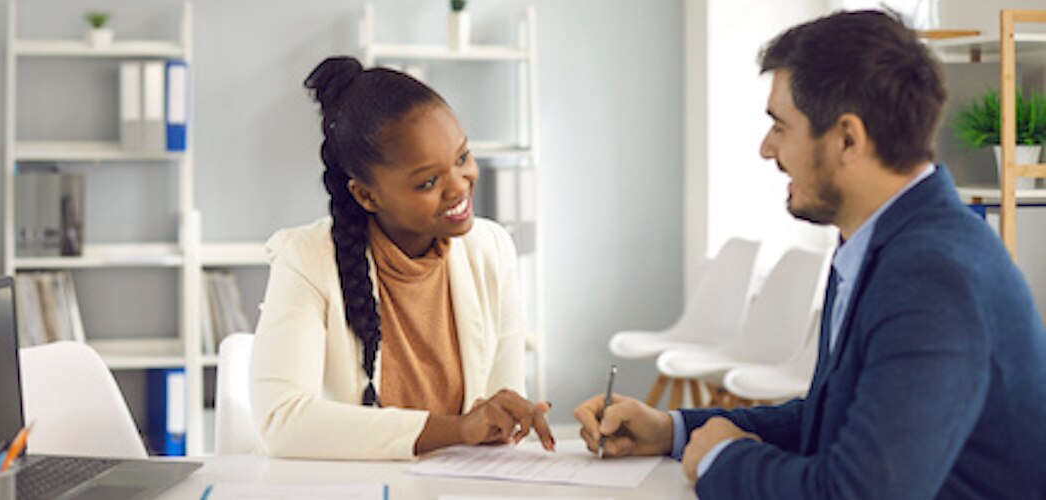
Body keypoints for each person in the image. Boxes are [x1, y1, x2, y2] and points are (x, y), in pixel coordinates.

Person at [575, 10, 1046, 499]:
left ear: (847, 138)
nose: (765, 148)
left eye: (780, 126)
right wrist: (672, 430)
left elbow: (860, 492)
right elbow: (830, 417)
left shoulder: (934, 273)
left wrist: (723, 458)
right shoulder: (880, 244)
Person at [249, 56, 554, 460]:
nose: (459, 187)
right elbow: (282, 422)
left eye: (462, 158)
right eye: (428, 181)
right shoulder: (306, 261)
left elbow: (500, 411)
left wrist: (505, 419)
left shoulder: (492, 250)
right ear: (367, 195)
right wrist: (457, 429)